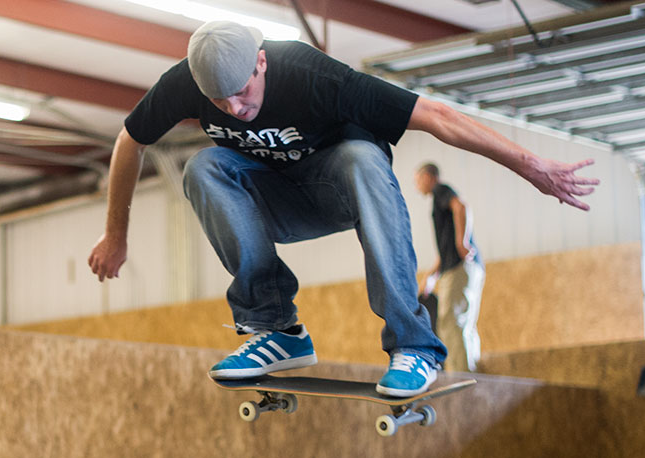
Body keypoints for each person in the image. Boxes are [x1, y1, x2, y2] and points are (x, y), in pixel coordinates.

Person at [88, 21, 596, 397]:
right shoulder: (186, 82)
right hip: (274, 203)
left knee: (361, 155)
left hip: (345, 193)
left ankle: (414, 345)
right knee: (203, 167)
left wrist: (531, 166)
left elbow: (437, 116)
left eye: (243, 92)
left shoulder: (315, 75)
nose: (235, 110)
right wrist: (116, 235)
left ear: (261, 62)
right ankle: (277, 330)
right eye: (218, 103)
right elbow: (129, 141)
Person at [416, 163, 484, 372]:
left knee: (450, 322)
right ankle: (470, 371)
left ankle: (462, 377)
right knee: (462, 323)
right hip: (463, 267)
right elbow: (444, 250)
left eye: (418, 179)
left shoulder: (441, 191)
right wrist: (430, 275)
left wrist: (462, 242)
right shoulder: (439, 198)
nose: (417, 184)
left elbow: (461, 206)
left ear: (428, 176)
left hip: (459, 267)